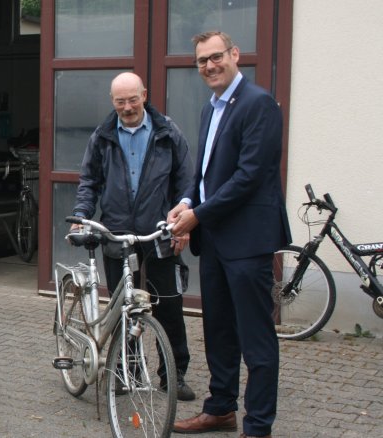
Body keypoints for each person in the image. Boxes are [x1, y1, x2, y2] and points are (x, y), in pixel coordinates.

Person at [168, 31, 290, 438]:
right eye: (202, 61)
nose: (209, 66)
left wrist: (197, 215)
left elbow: (249, 177)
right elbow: (205, 174)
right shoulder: (211, 109)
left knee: (255, 337)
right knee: (218, 330)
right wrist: (187, 202)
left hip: (248, 241)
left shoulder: (260, 104)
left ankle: (257, 427)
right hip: (216, 239)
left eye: (216, 57)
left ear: (235, 55)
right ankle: (220, 409)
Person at [70, 72, 196, 401]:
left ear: (144, 94)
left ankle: (174, 374)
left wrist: (183, 220)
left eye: (133, 99)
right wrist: (81, 216)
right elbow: (89, 182)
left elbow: (186, 181)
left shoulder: (167, 132)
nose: (127, 107)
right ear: (113, 102)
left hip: (158, 236)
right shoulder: (103, 135)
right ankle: (128, 372)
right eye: (120, 101)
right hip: (117, 237)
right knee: (123, 309)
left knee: (168, 307)